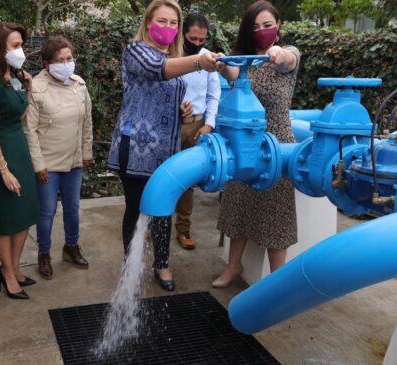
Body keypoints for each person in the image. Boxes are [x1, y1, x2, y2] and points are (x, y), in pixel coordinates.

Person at [107, 0, 220, 291]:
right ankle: (130, 268)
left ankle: (162, 264)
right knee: (135, 209)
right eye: (162, 21)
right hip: (136, 148)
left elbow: (167, 84)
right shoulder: (136, 51)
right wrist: (200, 61)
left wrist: (180, 107)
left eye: (173, 23)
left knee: (163, 207)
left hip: (167, 150)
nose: (168, 28)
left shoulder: (172, 56)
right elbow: (159, 70)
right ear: (147, 24)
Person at [212, 0, 300, 288]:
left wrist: (279, 53)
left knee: (276, 213)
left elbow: (289, 59)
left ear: (278, 27)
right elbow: (233, 74)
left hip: (278, 144)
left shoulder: (287, 55)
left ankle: (277, 282)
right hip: (244, 142)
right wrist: (223, 65)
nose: (262, 31)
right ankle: (233, 267)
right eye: (256, 27)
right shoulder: (246, 58)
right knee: (237, 204)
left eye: (267, 25)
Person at [0, 22, 39, 299]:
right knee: (6, 217)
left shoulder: (14, 76)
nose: (20, 50)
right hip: (0, 152)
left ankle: (14, 267)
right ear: (0, 48)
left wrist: (28, 86)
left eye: (21, 45)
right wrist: (3, 170)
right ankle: (7, 272)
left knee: (24, 212)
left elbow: (21, 115)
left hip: (19, 148)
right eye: (15, 45)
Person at [23, 36, 93, 280]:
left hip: (74, 161)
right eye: (59, 60)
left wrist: (86, 152)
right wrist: (38, 165)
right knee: (47, 211)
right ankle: (44, 254)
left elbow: (87, 122)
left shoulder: (79, 85)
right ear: (46, 63)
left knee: (73, 208)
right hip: (48, 164)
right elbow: (29, 130)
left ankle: (71, 247)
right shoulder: (36, 88)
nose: (66, 64)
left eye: (69, 59)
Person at [175, 14, 221, 250]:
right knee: (159, 174)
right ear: (184, 34)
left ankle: (183, 229)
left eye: (202, 39)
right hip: (170, 124)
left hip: (196, 124)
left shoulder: (208, 58)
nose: (197, 43)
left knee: (187, 180)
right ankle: (154, 225)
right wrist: (176, 106)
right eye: (193, 38)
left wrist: (209, 124)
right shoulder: (171, 55)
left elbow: (214, 94)